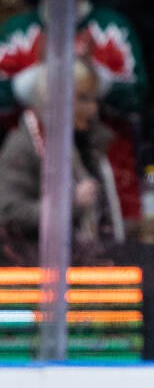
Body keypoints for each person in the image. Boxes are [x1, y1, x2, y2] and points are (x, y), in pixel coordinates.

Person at [0, 0, 147, 224]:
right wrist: (35, 81)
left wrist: (93, 78)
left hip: (108, 156)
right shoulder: (15, 32)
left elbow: (137, 95)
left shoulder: (112, 28)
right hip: (31, 161)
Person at [0, 58, 124, 261]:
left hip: (87, 267)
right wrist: (69, 204)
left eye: (94, 99)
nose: (92, 109)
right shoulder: (25, 146)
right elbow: (9, 211)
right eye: (83, 99)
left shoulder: (90, 144)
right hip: (38, 272)